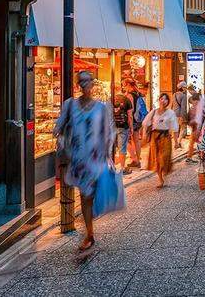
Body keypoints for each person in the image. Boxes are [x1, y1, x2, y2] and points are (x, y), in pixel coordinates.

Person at [54, 71, 115, 251]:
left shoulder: (101, 108)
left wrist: (109, 154)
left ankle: (89, 230)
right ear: (78, 84)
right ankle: (89, 234)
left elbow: (109, 132)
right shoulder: (70, 105)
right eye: (81, 81)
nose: (85, 84)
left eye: (88, 81)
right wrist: (59, 136)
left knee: (93, 196)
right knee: (86, 196)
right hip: (79, 159)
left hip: (97, 158)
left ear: (93, 84)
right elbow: (59, 126)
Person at [142, 93, 179, 188]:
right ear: (159, 100)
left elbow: (174, 128)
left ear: (168, 101)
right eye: (161, 99)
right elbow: (145, 123)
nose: (163, 101)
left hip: (165, 137)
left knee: (165, 157)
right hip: (155, 137)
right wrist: (144, 136)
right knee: (156, 159)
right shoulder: (154, 112)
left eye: (165, 99)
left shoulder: (171, 113)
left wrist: (176, 142)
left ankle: (164, 170)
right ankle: (160, 179)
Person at [123, 78, 144, 168]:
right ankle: (137, 160)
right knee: (136, 140)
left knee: (126, 140)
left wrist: (130, 124)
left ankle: (135, 159)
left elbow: (130, 111)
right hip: (139, 119)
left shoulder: (130, 95)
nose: (123, 87)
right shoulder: (138, 94)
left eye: (124, 85)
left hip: (132, 120)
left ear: (128, 85)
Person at [113, 87, 134, 175]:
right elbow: (130, 116)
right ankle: (122, 168)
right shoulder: (127, 100)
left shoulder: (110, 99)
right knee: (122, 148)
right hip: (123, 127)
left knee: (112, 148)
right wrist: (131, 127)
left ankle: (112, 167)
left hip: (112, 127)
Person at [185, 85, 201, 163]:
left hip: (195, 127)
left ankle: (190, 156)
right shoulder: (196, 108)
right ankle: (191, 156)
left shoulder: (193, 107)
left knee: (192, 142)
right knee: (196, 142)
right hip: (196, 128)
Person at [172, 81, 189, 149]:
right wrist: (183, 117)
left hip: (174, 114)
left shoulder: (174, 94)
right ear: (182, 88)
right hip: (180, 114)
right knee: (183, 129)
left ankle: (176, 142)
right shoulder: (183, 96)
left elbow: (172, 105)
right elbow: (183, 108)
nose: (185, 89)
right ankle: (178, 142)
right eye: (185, 87)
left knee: (175, 129)